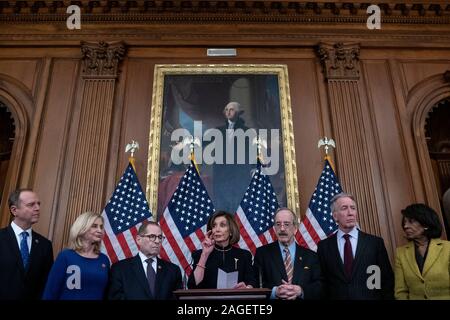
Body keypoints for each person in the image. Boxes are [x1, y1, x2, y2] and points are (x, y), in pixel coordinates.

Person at [317, 192, 394, 299]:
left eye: (353, 208)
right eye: (344, 208)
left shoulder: (375, 243)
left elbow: (385, 280)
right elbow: (322, 283)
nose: (350, 213)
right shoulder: (323, 247)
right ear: (335, 216)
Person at [254, 208, 322, 300]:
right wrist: (275, 292)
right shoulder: (262, 254)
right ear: (274, 229)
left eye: (286, 224)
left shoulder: (311, 256)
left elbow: (320, 285)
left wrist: (301, 291)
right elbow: (256, 283)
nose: (282, 229)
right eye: (278, 224)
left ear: (295, 228)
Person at [42, 212, 110, 299]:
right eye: (94, 226)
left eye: (101, 227)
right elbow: (50, 292)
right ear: (82, 228)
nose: (100, 230)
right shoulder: (65, 256)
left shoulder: (104, 260)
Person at [0, 189, 53, 300]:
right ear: (14, 210)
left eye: (38, 204)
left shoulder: (45, 245)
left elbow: (46, 284)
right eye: (31, 204)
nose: (38, 208)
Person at [108, 221, 182, 299]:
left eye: (160, 237)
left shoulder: (173, 270)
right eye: (152, 236)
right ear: (138, 239)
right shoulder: (119, 269)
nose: (157, 241)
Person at [188, 211, 256, 289]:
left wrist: (246, 288)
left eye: (222, 225)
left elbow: (252, 282)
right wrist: (205, 254)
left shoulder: (244, 255)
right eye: (214, 226)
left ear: (231, 231)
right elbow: (192, 285)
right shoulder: (199, 254)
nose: (217, 229)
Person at [394, 203, 450, 300]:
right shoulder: (401, 253)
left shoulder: (448, 248)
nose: (406, 226)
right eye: (404, 223)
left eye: (411, 221)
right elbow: (400, 292)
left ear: (425, 224)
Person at [213, 102, 255, 213]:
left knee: (239, 205)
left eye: (231, 109)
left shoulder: (247, 131)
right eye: (226, 109)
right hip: (222, 175)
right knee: (222, 206)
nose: (228, 112)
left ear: (238, 112)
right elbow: (203, 141)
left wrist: (254, 166)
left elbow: (253, 150)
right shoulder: (218, 131)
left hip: (239, 175)